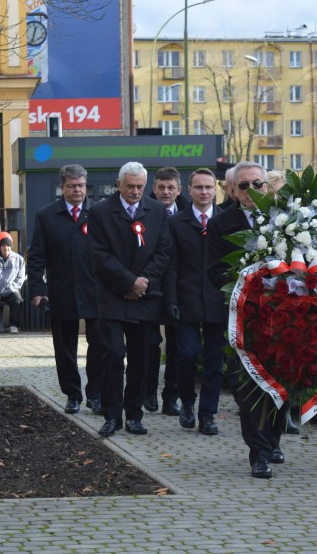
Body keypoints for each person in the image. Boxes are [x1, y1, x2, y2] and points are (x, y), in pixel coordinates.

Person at [207, 161, 287, 479]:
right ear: (233, 191)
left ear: (266, 186)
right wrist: (245, 280)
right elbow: (213, 270)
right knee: (247, 387)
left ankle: (273, 439)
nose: (251, 190)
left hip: (281, 316)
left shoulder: (285, 219)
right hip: (242, 316)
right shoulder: (220, 223)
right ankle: (259, 453)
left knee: (279, 382)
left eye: (257, 184)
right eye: (243, 186)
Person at [89, 162, 172, 438]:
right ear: (118, 184)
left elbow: (163, 251)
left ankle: (134, 415)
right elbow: (99, 255)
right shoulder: (100, 212)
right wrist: (128, 282)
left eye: (140, 187)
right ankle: (112, 416)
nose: (135, 191)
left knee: (142, 358)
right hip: (112, 295)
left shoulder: (157, 211)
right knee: (113, 355)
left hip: (145, 296)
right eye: (130, 186)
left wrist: (142, 282)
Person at [27, 164, 104, 415]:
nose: (77, 190)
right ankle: (73, 394)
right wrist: (37, 290)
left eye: (81, 185)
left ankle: (96, 394)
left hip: (96, 291)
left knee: (100, 345)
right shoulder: (46, 216)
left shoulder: (99, 214)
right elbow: (36, 256)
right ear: (62, 187)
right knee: (64, 348)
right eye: (72, 186)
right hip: (61, 291)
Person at [164, 168, 226, 435]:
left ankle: (207, 414)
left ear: (215, 189)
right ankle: (187, 403)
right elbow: (170, 266)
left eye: (208, 187)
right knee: (186, 355)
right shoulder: (176, 222)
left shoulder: (225, 221)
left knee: (214, 361)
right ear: (188, 190)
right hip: (186, 301)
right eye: (198, 187)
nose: (204, 192)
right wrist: (170, 300)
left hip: (217, 301)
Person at [145, 166, 186, 416]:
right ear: (154, 188)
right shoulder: (144, 212)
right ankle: (148, 391)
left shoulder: (187, 213)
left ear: (179, 190)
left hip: (180, 291)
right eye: (161, 187)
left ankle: (171, 398)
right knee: (149, 345)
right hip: (150, 288)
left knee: (177, 348)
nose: (166, 192)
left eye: (171, 187)